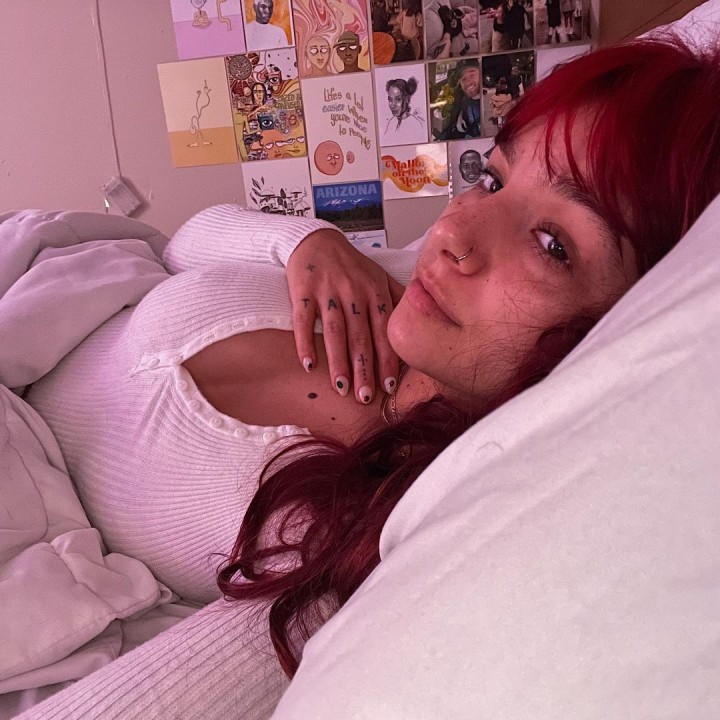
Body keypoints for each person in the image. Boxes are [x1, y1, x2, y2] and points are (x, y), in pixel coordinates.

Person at [22, 33, 720, 691]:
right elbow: (176, 245)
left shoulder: (366, 545)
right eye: (493, 179)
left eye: (551, 244)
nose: (451, 231)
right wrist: (306, 241)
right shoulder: (403, 283)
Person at [437, 59, 482, 139]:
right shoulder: (462, 101)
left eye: (472, 75)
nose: (468, 81)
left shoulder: (493, 98)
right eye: (463, 79)